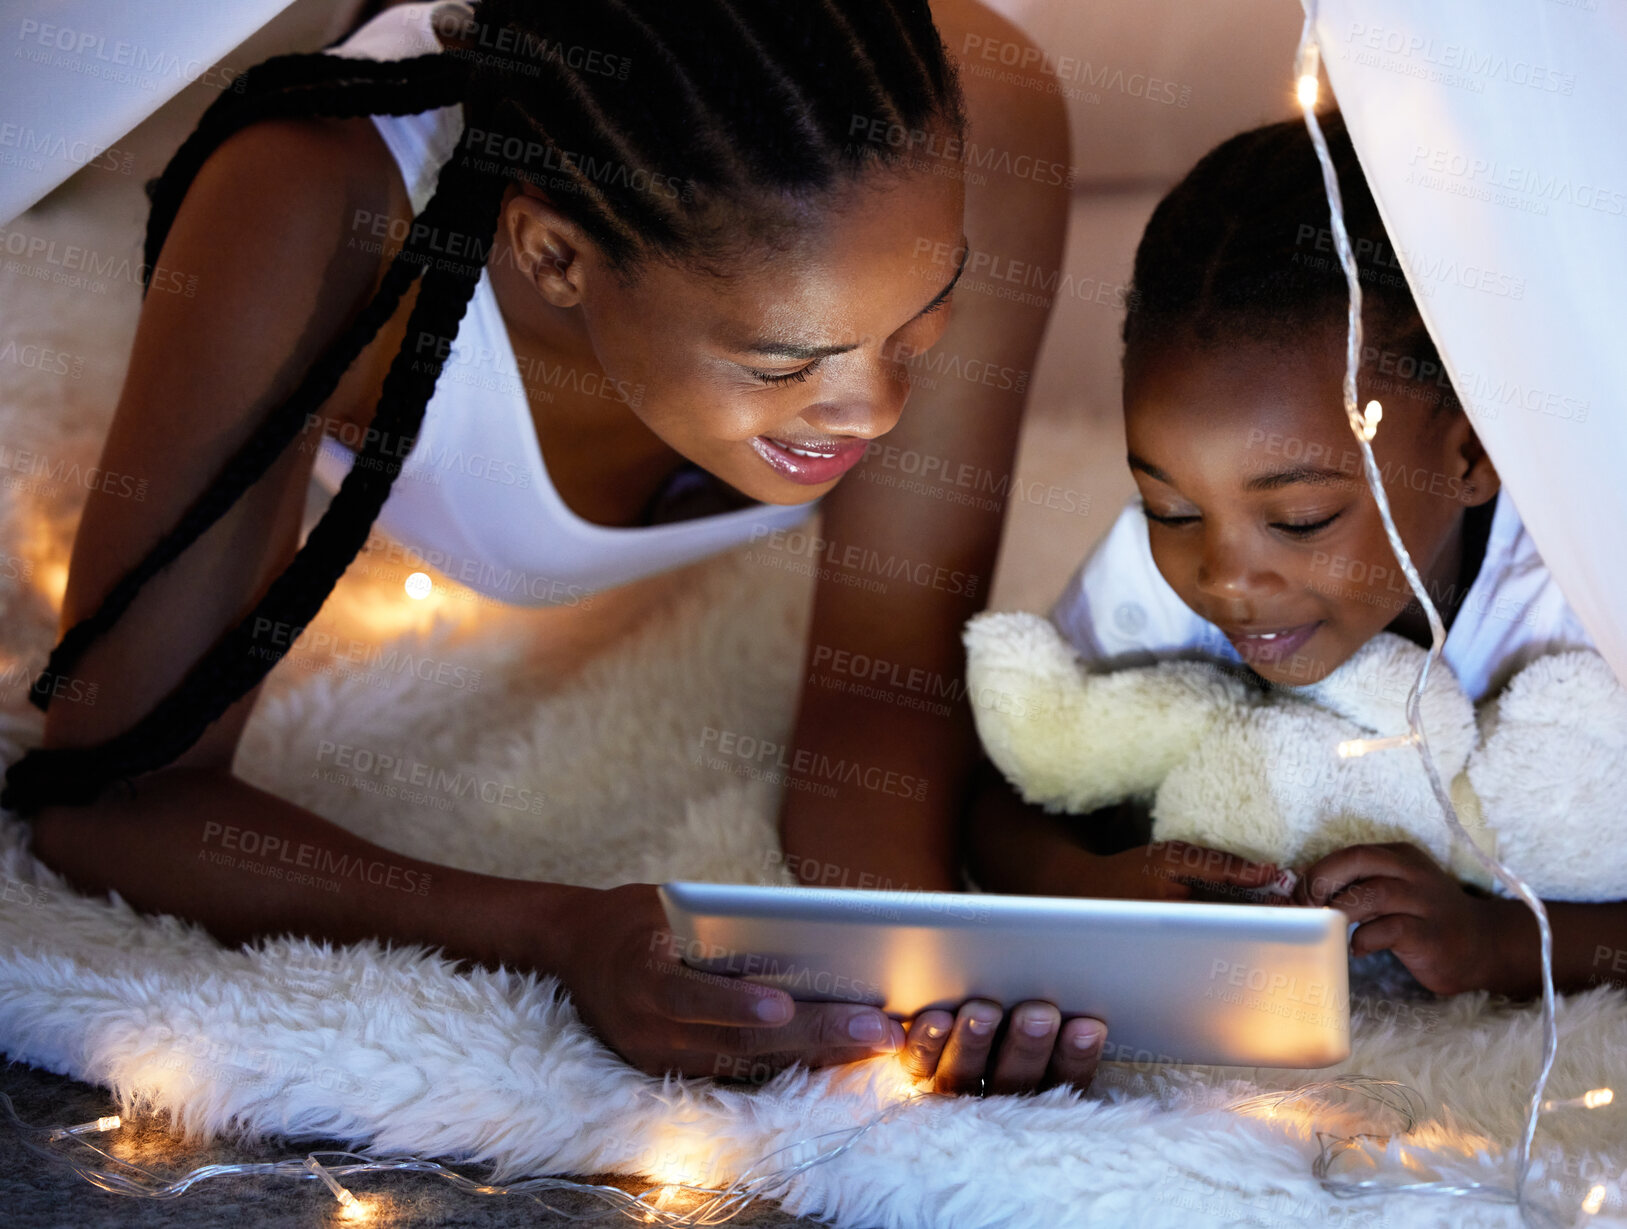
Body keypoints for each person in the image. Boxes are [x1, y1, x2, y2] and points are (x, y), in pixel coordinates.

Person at [0, 0, 1102, 1095]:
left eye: (924, 320)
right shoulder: (310, 201)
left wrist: (925, 979)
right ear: (552, 253)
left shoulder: (961, 112)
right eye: (779, 366)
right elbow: (113, 794)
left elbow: (882, 678)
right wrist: (562, 930)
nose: (874, 413)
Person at [964, 112, 1621, 1000]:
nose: (1225, 577)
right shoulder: (1150, 585)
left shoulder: (1574, 590)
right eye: (1171, 507)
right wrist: (1082, 885)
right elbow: (999, 786)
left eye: (1302, 518)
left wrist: (1500, 942)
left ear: (1469, 455)